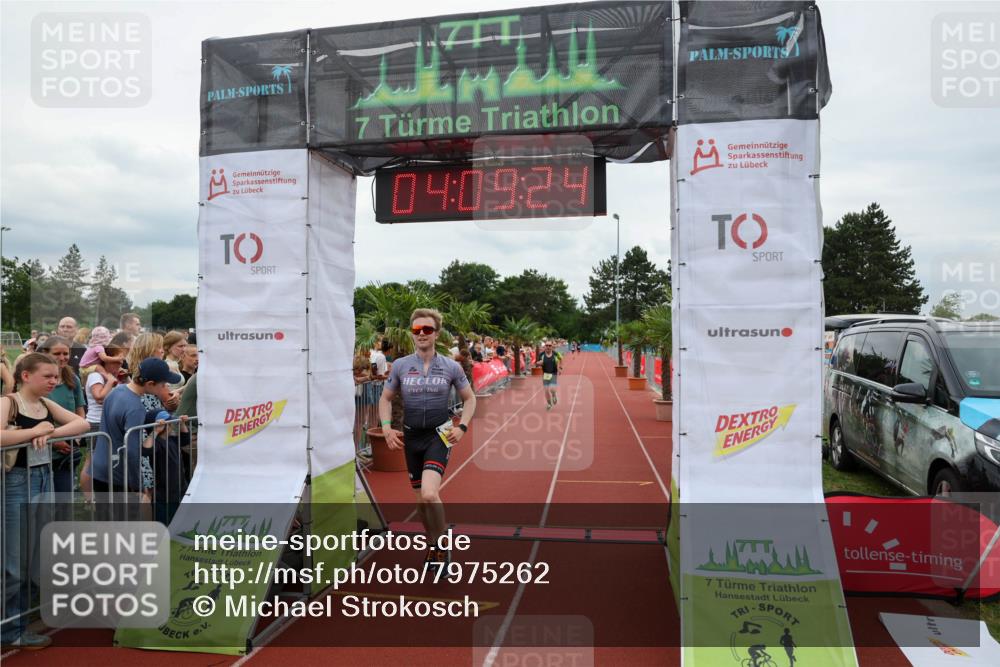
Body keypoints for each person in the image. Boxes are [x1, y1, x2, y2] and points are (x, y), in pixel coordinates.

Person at [1, 353, 89, 650]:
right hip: (15, 483)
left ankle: (16, 626)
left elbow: (81, 424)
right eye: (47, 376)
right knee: (14, 562)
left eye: (56, 376)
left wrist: (49, 431)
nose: (54, 381)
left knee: (32, 557)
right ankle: (9, 628)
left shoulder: (46, 405)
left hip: (43, 479)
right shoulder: (8, 402)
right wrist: (33, 432)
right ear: (26, 375)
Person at [378, 309, 476, 570]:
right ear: (412, 333)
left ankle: (443, 547)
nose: (421, 334)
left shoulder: (451, 366)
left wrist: (462, 426)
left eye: (427, 330)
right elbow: (385, 399)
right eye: (417, 330)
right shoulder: (400, 365)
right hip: (412, 436)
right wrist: (387, 428)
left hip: (439, 434)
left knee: (430, 494)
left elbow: (470, 398)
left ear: (437, 334)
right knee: (420, 500)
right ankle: (432, 543)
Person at [89, 358, 182, 508]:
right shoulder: (135, 408)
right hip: (119, 474)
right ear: (150, 384)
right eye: (163, 384)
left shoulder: (117, 391)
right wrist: (138, 484)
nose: (166, 388)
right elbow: (132, 450)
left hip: (100, 467)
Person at [36, 337, 87, 495]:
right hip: (41, 448)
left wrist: (76, 435)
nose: (62, 357)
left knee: (63, 498)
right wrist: (55, 441)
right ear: (45, 353)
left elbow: (80, 410)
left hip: (67, 451)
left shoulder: (73, 379)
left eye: (66, 353)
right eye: (57, 353)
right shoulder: (36, 381)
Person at [535, 341, 563, 410]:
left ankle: (554, 395)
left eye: (549, 345)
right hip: (545, 374)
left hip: (553, 373)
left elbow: (561, 359)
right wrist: (539, 363)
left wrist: (560, 368)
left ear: (552, 347)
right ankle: (549, 404)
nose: (548, 347)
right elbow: (536, 363)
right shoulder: (541, 354)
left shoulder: (555, 353)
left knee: (552, 389)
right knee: (546, 390)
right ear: (545, 346)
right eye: (547, 345)